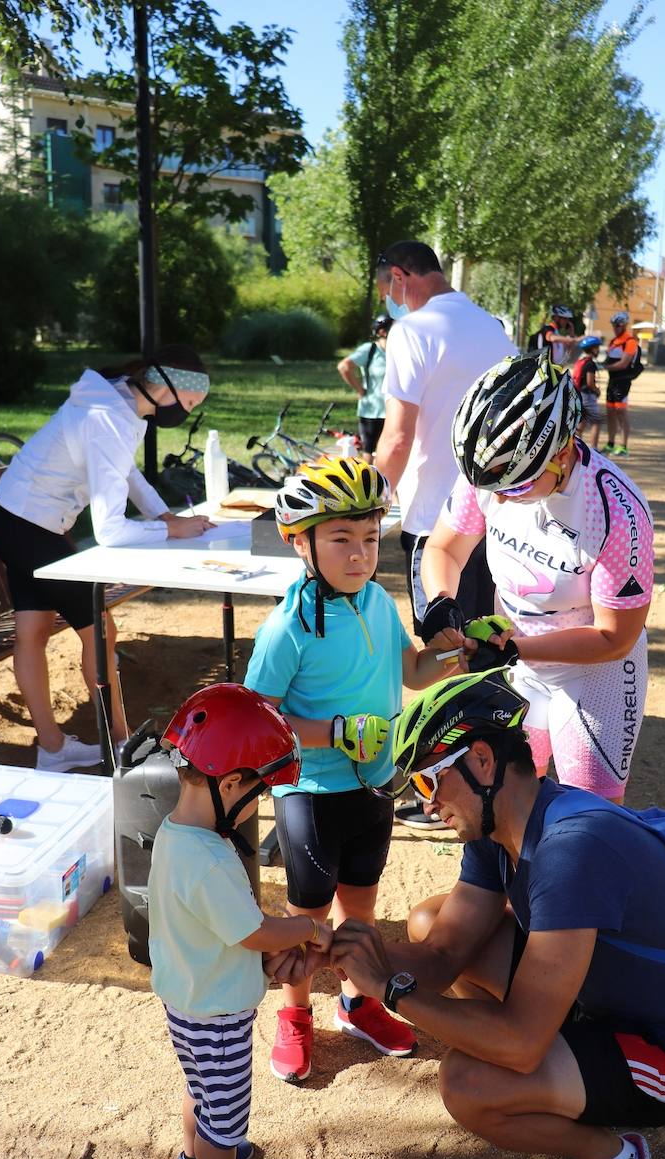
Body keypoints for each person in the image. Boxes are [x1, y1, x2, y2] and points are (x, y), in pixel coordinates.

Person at [330, 670, 665, 1159]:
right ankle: (561, 1060)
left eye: (429, 778)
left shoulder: (571, 852)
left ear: (483, 762)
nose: (424, 801)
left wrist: (390, 989)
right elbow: (443, 956)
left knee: (470, 1084)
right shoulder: (502, 825)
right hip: (604, 996)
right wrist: (333, 948)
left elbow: (520, 1046)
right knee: (428, 921)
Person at [243, 456, 462, 1085]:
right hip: (311, 791)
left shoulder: (376, 603)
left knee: (359, 910)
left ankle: (358, 1003)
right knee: (308, 919)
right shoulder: (286, 629)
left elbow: (410, 673)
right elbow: (259, 721)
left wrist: (445, 654)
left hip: (373, 785)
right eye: (341, 539)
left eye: (370, 538)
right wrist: (334, 732)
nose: (360, 554)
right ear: (299, 541)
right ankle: (294, 1016)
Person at [421, 352, 654, 804]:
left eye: (518, 487)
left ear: (563, 452)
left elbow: (613, 638)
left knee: (587, 816)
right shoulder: (490, 472)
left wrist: (513, 648)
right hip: (516, 659)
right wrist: (440, 601)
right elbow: (445, 548)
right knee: (502, 802)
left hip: (593, 671)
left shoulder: (614, 510)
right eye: (494, 489)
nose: (501, 501)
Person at [148, 682, 333, 1159]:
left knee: (201, 1088)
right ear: (229, 782)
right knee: (225, 1114)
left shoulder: (173, 834)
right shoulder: (208, 858)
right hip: (219, 1013)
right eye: (258, 791)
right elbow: (252, 930)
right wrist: (306, 927)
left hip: (187, 998)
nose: (259, 802)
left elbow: (216, 929)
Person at [0, 344, 213, 772]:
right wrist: (168, 528)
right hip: (27, 525)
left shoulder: (119, 401)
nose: (186, 413)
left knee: (33, 630)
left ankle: (53, 750)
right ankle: (124, 747)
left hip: (15, 517)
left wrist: (165, 516)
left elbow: (126, 472)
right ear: (165, 388)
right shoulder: (109, 417)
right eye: (188, 404)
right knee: (100, 630)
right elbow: (109, 531)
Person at [374, 239, 512, 828]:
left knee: (442, 652)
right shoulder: (493, 327)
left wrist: (362, 503)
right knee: (486, 647)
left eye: (387, 289)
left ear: (401, 277)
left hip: (436, 520)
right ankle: (497, 778)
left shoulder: (412, 332)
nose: (390, 301)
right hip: (497, 516)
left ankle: (445, 789)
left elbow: (398, 438)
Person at [336, 316, 392, 456]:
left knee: (389, 451)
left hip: (393, 410)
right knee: (369, 451)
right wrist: (360, 389)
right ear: (381, 332)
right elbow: (344, 367)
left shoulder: (400, 351)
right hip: (372, 411)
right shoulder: (370, 350)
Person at [603, 312, 642, 457]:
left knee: (621, 412)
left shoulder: (630, 342)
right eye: (614, 325)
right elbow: (609, 359)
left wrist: (604, 367)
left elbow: (623, 363)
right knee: (610, 412)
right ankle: (611, 443)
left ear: (624, 325)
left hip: (623, 381)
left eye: (618, 325)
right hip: (612, 381)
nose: (615, 328)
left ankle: (624, 446)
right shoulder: (613, 341)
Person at [572, 335, 602, 449]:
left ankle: (577, 447)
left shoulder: (581, 361)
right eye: (597, 347)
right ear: (593, 349)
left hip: (580, 394)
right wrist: (596, 390)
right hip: (588, 396)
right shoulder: (590, 364)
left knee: (581, 423)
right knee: (596, 421)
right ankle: (594, 448)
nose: (598, 350)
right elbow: (590, 382)